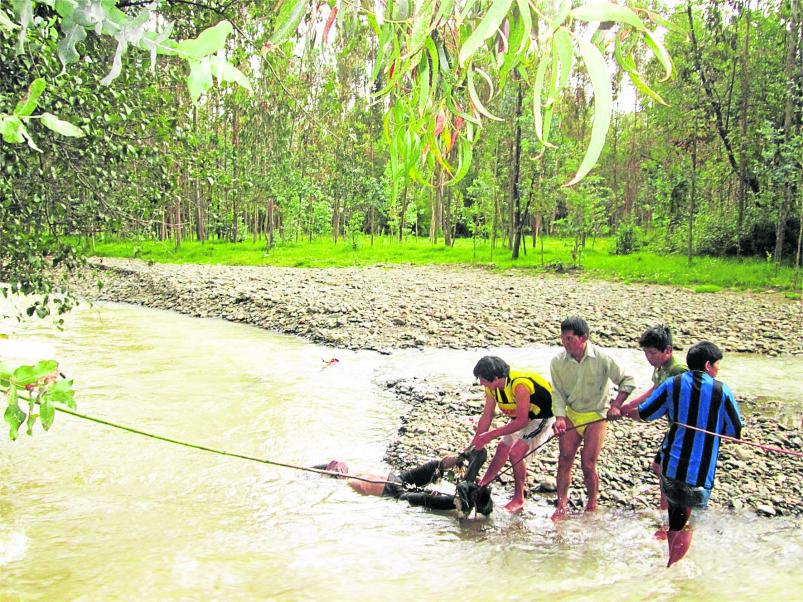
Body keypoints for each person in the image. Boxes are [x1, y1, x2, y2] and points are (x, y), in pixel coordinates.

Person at [620, 341, 742, 567]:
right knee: (687, 525)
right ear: (708, 365)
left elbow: (646, 414)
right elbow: (734, 431)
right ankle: (673, 572)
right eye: (717, 365)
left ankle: (669, 564)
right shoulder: (722, 390)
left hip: (671, 466)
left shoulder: (672, 384)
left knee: (675, 519)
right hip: (699, 473)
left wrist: (624, 413)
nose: (718, 369)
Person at [550, 316, 635, 519]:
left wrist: (616, 405)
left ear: (584, 338)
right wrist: (559, 417)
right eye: (563, 338)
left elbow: (627, 381)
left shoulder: (602, 358)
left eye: (570, 339)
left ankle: (592, 503)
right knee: (564, 459)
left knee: (588, 464)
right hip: (572, 413)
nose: (565, 343)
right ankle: (561, 504)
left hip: (596, 415)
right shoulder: (558, 361)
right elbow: (557, 392)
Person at [470, 356, 555, 513]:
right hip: (521, 416)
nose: (480, 383)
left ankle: (519, 498)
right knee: (502, 447)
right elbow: (487, 415)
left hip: (541, 417)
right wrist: (475, 442)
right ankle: (482, 484)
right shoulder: (491, 388)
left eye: (482, 379)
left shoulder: (519, 385)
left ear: (495, 378)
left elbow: (522, 421)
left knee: (515, 453)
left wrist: (491, 435)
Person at [313, 448, 493, 517]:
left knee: (434, 467)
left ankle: (465, 456)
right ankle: (464, 496)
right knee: (427, 497)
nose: (341, 468)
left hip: (397, 482)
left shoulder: (351, 477)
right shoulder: (351, 479)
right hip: (395, 489)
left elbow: (364, 488)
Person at [629, 325, 688, 517]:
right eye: (646, 352)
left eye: (653, 353)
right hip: (673, 428)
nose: (649, 357)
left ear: (668, 350)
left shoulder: (678, 370)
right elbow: (654, 390)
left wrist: (638, 412)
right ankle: (665, 511)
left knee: (669, 472)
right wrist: (630, 405)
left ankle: (671, 514)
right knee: (660, 468)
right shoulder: (660, 367)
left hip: (684, 429)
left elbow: (664, 403)